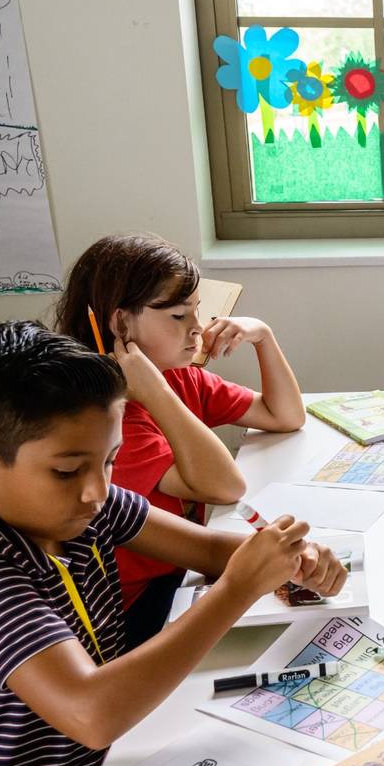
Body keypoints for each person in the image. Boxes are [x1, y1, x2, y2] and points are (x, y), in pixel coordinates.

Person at [0, 322, 343, 766]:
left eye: (109, 460)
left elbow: (210, 548)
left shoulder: (77, 508)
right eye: (67, 470)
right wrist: (238, 589)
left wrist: (289, 558)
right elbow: (92, 712)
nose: (97, 491)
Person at [54, 233, 305, 644]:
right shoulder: (106, 420)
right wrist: (154, 392)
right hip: (128, 613)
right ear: (119, 324)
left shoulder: (179, 377)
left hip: (180, 576)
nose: (198, 329)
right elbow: (226, 486)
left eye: (198, 313)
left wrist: (263, 335)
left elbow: (285, 415)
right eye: (177, 316)